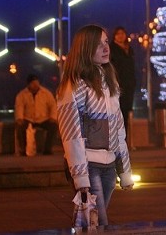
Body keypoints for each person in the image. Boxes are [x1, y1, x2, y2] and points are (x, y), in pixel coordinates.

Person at [57, 24, 134, 226]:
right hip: (88, 164)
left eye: (106, 42)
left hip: (108, 165)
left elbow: (118, 130)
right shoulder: (75, 84)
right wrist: (81, 177)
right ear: (85, 49)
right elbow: (71, 132)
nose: (105, 48)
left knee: (93, 223)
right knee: (99, 222)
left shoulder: (109, 82)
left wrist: (124, 171)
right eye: (98, 45)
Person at [14, 74, 58, 156]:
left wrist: (53, 117)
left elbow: (53, 106)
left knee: (53, 126)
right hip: (28, 119)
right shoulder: (22, 95)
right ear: (29, 84)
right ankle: (23, 150)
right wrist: (19, 118)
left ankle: (47, 149)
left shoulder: (46, 93)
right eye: (33, 83)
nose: (35, 85)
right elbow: (19, 107)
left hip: (43, 119)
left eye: (37, 83)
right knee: (20, 127)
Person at [110, 26, 137, 140]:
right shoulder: (112, 49)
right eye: (118, 34)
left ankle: (124, 139)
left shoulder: (129, 50)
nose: (121, 36)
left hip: (128, 86)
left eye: (122, 33)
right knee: (117, 112)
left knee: (125, 112)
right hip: (118, 85)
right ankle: (116, 139)